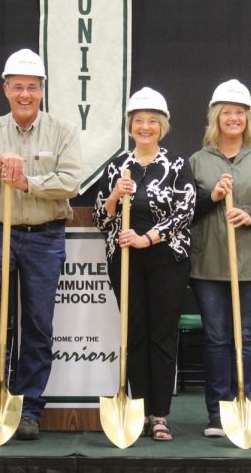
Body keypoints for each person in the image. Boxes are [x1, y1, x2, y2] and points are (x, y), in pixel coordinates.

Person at [0, 48, 82, 440]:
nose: (25, 94)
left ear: (42, 90)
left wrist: (28, 181)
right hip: (0, 231)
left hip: (45, 236)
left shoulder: (62, 131)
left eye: (32, 87)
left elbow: (71, 181)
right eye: (18, 88)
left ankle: (30, 407)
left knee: (38, 323)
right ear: (6, 89)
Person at [93, 87, 195, 441]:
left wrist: (147, 237)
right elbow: (100, 219)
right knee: (133, 335)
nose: (146, 127)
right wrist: (115, 197)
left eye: (152, 121)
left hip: (167, 259)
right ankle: (138, 409)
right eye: (139, 121)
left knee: (162, 336)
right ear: (130, 125)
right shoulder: (117, 166)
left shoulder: (179, 165)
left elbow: (186, 211)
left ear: (162, 126)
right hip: (124, 261)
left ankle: (160, 414)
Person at [188, 79, 251, 438]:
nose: (234, 118)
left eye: (240, 113)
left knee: (244, 336)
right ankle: (217, 413)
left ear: (247, 118)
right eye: (227, 112)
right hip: (208, 264)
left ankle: (241, 403)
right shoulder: (198, 161)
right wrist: (212, 196)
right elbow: (184, 211)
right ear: (216, 117)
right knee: (215, 338)